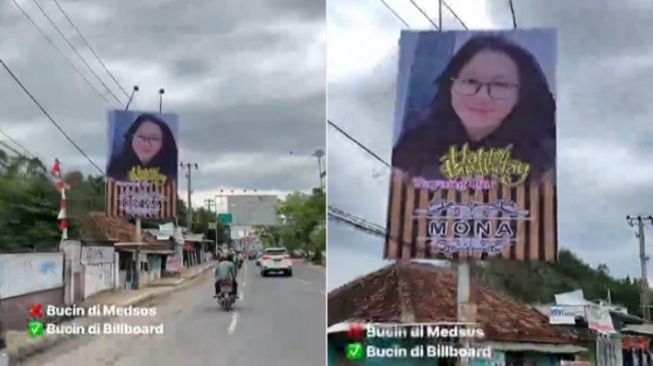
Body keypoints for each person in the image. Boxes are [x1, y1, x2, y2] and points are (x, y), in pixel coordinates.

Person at [392, 35, 556, 185]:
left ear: (522, 93)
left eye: (500, 85)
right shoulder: (417, 140)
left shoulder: (544, 155)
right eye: (470, 81)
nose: (482, 96)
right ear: (450, 85)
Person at [107, 113, 178, 183]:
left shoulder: (174, 173)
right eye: (140, 136)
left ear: (164, 143)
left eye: (154, 138)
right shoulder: (115, 168)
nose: (146, 143)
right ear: (131, 137)